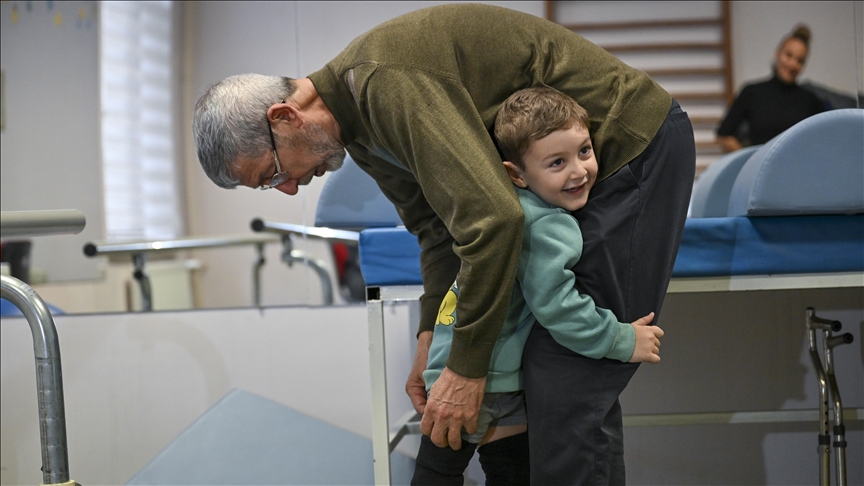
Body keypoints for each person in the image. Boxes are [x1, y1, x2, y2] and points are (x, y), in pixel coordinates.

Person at [192, 4, 695, 483]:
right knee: (546, 367)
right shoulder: (361, 132)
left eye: (271, 173)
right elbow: (436, 229)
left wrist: (466, 369)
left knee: (568, 367)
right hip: (568, 177)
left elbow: (493, 221)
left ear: (285, 117)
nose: (287, 189)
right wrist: (431, 336)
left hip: (629, 146)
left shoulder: (386, 85)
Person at [413, 87, 664, 485]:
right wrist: (621, 339)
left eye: (584, 151)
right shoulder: (546, 225)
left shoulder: (504, 205)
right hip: (491, 382)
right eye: (557, 163)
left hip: (457, 368)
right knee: (490, 474)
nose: (578, 171)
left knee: (440, 472)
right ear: (517, 174)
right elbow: (558, 306)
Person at [716, 24, 825, 152]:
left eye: (799, 61)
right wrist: (749, 159)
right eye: (788, 55)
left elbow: (826, 136)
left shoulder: (810, 100)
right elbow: (723, 135)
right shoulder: (752, 93)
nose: (792, 64)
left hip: (797, 163)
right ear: (777, 53)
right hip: (760, 163)